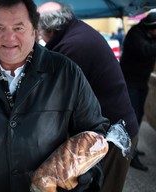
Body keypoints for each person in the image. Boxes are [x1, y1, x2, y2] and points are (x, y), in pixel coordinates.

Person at [0, 0, 113, 191]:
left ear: (35, 31)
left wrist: (82, 174)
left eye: (19, 27)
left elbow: (94, 131)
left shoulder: (65, 72)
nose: (9, 38)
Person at [37, 2, 139, 192]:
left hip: (113, 135)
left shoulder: (72, 47)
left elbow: (58, 101)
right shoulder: (76, 33)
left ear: (46, 28)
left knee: (104, 186)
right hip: (108, 128)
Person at [120, 12, 156, 171]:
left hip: (141, 82)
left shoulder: (148, 35)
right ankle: (130, 155)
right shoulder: (135, 35)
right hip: (131, 82)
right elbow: (146, 51)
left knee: (139, 115)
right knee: (132, 118)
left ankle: (133, 147)